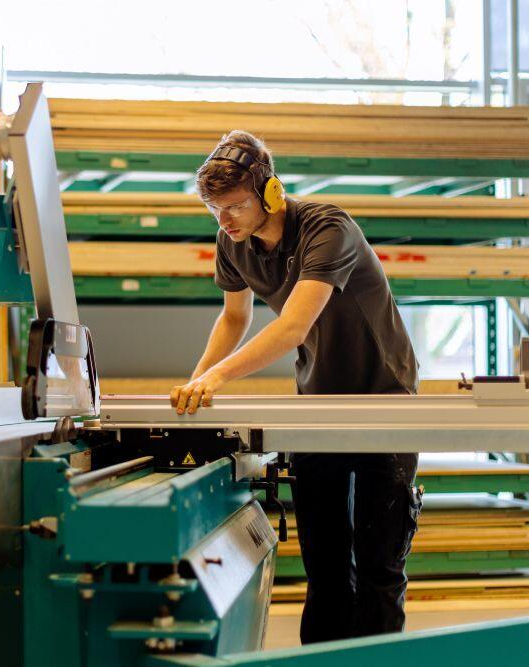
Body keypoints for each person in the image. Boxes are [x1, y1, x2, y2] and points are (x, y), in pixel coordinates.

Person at [170, 130, 422, 643]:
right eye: (214, 209)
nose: (224, 219)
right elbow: (232, 319)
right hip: (316, 404)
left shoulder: (328, 229)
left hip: (385, 398)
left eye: (235, 206)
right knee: (326, 571)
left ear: (271, 193)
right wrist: (197, 381)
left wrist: (219, 377)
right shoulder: (232, 241)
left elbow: (292, 328)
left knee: (379, 568)